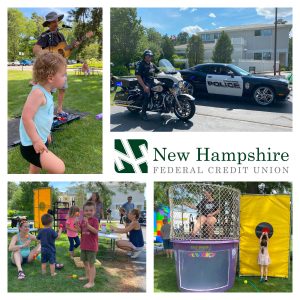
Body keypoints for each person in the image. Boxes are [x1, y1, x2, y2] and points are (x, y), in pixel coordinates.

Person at [19, 51, 66, 174]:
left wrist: (46, 134)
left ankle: (34, 185)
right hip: (31, 145)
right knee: (59, 168)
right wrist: (36, 140)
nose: (65, 77)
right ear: (51, 78)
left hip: (41, 140)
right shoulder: (38, 93)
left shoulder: (47, 92)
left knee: (35, 169)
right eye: (63, 75)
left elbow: (43, 117)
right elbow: (26, 117)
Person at [33, 11, 79, 116]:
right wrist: (47, 57)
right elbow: (36, 49)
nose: (56, 23)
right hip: (51, 67)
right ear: (48, 23)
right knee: (49, 89)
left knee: (62, 88)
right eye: (53, 22)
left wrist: (72, 47)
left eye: (56, 21)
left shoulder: (61, 35)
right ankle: (47, 111)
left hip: (61, 66)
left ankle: (59, 109)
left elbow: (65, 51)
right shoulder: (45, 35)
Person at [75, 201, 99, 288]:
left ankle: (92, 282)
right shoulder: (83, 220)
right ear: (83, 211)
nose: (88, 212)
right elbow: (79, 231)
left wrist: (88, 225)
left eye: (91, 210)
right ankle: (87, 276)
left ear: (94, 211)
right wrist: (77, 225)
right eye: (86, 210)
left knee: (91, 264)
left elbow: (96, 231)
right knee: (85, 263)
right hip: (84, 245)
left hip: (92, 246)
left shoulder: (95, 220)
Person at [135, 49, 160, 120]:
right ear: (144, 56)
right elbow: (138, 76)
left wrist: (167, 73)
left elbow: (159, 71)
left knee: (161, 88)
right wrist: (144, 86)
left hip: (151, 82)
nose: (150, 57)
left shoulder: (152, 64)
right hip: (143, 83)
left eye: (151, 55)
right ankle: (143, 113)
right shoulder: (140, 64)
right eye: (148, 55)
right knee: (147, 95)